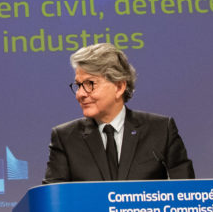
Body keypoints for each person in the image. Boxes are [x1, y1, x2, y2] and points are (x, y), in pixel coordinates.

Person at [44, 43, 194, 183]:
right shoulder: (65, 138)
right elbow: (52, 201)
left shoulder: (161, 130)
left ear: (119, 87)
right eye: (78, 85)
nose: (80, 94)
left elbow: (186, 195)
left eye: (90, 84)